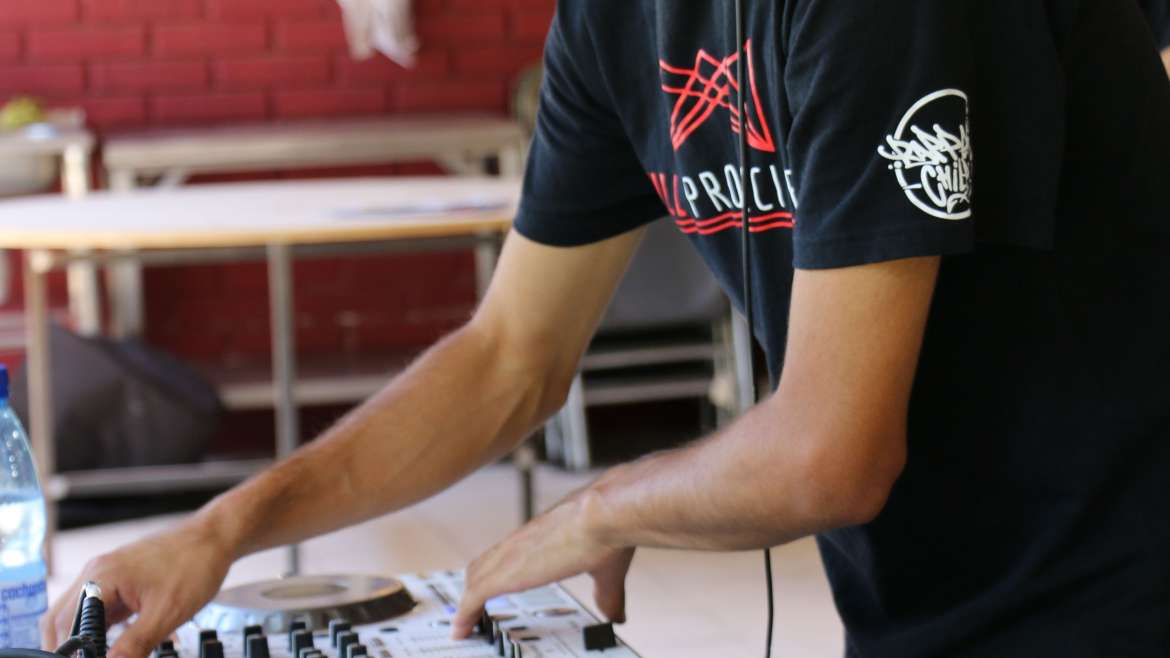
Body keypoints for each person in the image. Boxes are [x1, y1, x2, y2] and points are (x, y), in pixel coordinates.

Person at [42, 2, 1170, 656]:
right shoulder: (607, 21)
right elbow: (508, 357)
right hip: (926, 599)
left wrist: (600, 506)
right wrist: (223, 530)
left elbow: (831, 452)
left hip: (1122, 582)